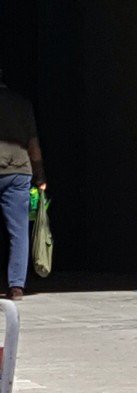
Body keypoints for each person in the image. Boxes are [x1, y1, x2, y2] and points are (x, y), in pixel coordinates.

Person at [0, 68, 46, 300]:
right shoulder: (22, 104)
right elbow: (33, 143)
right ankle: (16, 286)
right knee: (19, 231)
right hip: (19, 171)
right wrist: (40, 176)